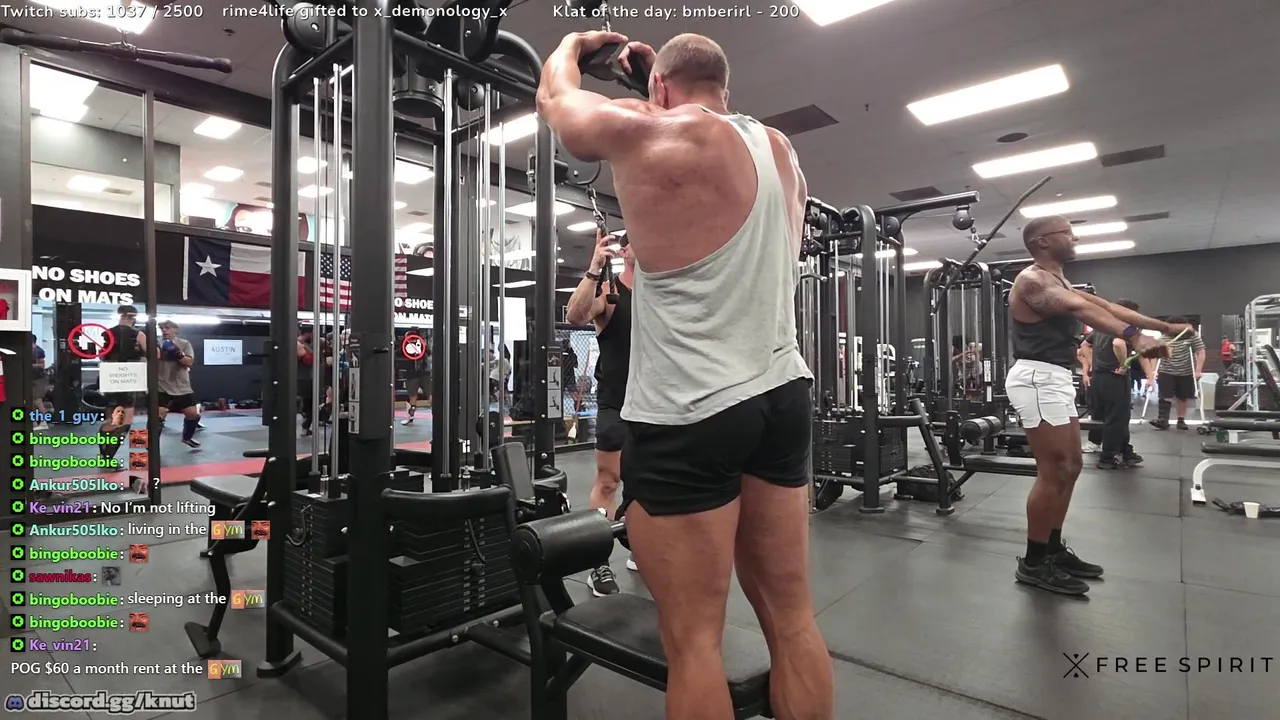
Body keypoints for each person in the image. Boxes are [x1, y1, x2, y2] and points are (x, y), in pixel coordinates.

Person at [539, 32, 834, 718]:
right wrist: (660, 88)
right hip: (782, 395)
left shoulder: (649, 130)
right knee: (793, 619)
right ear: (724, 88)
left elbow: (557, 101)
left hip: (691, 410)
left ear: (660, 89)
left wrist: (575, 45)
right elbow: (712, 126)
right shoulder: (782, 151)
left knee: (695, 643)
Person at [1005, 215, 1191, 596]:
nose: (1074, 238)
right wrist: (1133, 337)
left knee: (1071, 467)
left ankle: (1052, 549)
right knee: (1054, 470)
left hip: (1056, 377)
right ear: (1042, 241)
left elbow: (1108, 307)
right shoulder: (1031, 281)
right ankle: (1033, 562)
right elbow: (1080, 309)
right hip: (1037, 377)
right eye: (1067, 233)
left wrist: (1162, 327)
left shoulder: (1059, 281)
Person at [564, 230, 638, 596]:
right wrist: (595, 266)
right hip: (618, 404)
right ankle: (598, 565)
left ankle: (641, 546)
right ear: (624, 251)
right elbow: (576, 315)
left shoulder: (662, 296)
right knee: (609, 482)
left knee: (651, 484)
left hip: (657, 407)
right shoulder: (610, 295)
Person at [1079, 302, 1144, 469]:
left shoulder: (1101, 327)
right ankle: (1108, 457)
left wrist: (1092, 363)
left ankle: (1124, 450)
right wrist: (1124, 365)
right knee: (1116, 418)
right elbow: (1118, 344)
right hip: (1115, 378)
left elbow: (1084, 345)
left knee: (1108, 416)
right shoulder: (1124, 328)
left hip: (1098, 378)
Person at [100, 305, 146, 460]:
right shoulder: (138, 334)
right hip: (128, 377)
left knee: (112, 419)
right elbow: (155, 354)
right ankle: (108, 457)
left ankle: (105, 455)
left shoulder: (106, 334)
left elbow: (102, 356)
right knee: (126, 420)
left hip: (110, 378)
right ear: (133, 317)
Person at [1150, 317, 1205, 430]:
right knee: (1165, 395)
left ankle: (1181, 420)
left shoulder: (1192, 336)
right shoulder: (1163, 338)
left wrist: (1198, 370)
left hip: (1186, 371)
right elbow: (1155, 355)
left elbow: (1200, 352)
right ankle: (1163, 419)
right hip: (1166, 370)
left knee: (1182, 396)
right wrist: (1154, 370)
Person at [156, 321, 201, 448]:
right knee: (158, 415)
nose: (164, 330)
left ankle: (187, 438)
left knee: (193, 415)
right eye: (162, 328)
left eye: (167, 328)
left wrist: (177, 353)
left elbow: (189, 362)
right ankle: (149, 445)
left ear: (175, 330)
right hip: (161, 384)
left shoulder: (184, 343)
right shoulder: (156, 343)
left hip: (181, 386)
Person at [400, 327, 431, 426]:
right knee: (430, 394)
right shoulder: (422, 344)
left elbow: (399, 354)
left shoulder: (405, 345)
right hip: (424, 372)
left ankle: (410, 417)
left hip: (412, 373)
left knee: (413, 396)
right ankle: (438, 415)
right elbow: (429, 352)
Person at [298, 327, 316, 435]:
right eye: (312, 333)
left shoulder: (306, 345)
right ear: (307, 333)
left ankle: (306, 426)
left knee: (310, 404)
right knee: (308, 404)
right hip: (303, 379)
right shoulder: (299, 345)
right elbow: (308, 360)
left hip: (307, 378)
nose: (313, 336)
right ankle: (305, 427)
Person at [31, 333, 49, 432]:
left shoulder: (38, 351)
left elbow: (42, 365)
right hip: (33, 379)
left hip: (38, 380)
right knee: (32, 402)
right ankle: (34, 423)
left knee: (37, 401)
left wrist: (29, 365)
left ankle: (44, 422)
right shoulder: (31, 350)